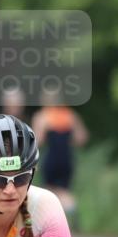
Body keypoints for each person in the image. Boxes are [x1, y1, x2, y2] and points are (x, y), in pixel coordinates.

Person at [32, 88, 89, 223]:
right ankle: (71, 214)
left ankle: (54, 222)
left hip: (51, 158)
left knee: (50, 191)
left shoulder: (42, 117)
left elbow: (36, 141)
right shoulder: (70, 115)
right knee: (65, 191)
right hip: (67, 158)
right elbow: (82, 138)